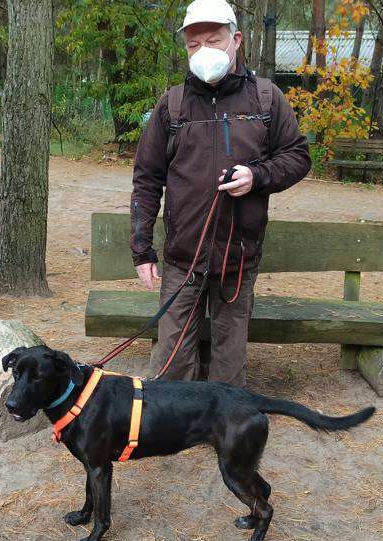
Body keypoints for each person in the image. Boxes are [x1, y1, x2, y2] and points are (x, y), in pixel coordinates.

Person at [130, 0, 311, 386]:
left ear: (236, 40)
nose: (203, 51)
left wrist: (257, 176)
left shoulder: (266, 99)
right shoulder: (172, 105)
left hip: (238, 259)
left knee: (229, 370)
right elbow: (146, 178)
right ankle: (174, 417)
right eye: (193, 45)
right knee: (171, 366)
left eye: (213, 41)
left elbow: (297, 157)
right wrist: (141, 249)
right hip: (182, 261)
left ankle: (226, 419)